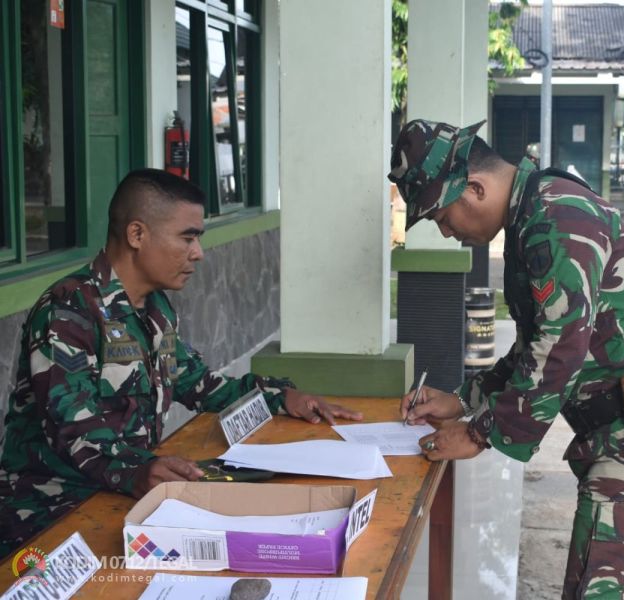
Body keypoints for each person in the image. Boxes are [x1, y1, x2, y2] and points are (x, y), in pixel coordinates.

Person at [388, 119, 624, 598]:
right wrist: (464, 400)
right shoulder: (533, 217)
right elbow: (536, 345)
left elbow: (561, 346)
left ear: (475, 188)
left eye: (441, 217)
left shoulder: (556, 216)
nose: (445, 232)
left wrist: (480, 433)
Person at [0, 169, 362, 558]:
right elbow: (72, 428)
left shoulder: (155, 309)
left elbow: (199, 384)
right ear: (137, 235)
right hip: (48, 514)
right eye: (187, 237)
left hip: (122, 496)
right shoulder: (68, 310)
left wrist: (282, 396)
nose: (198, 253)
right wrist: (141, 470)